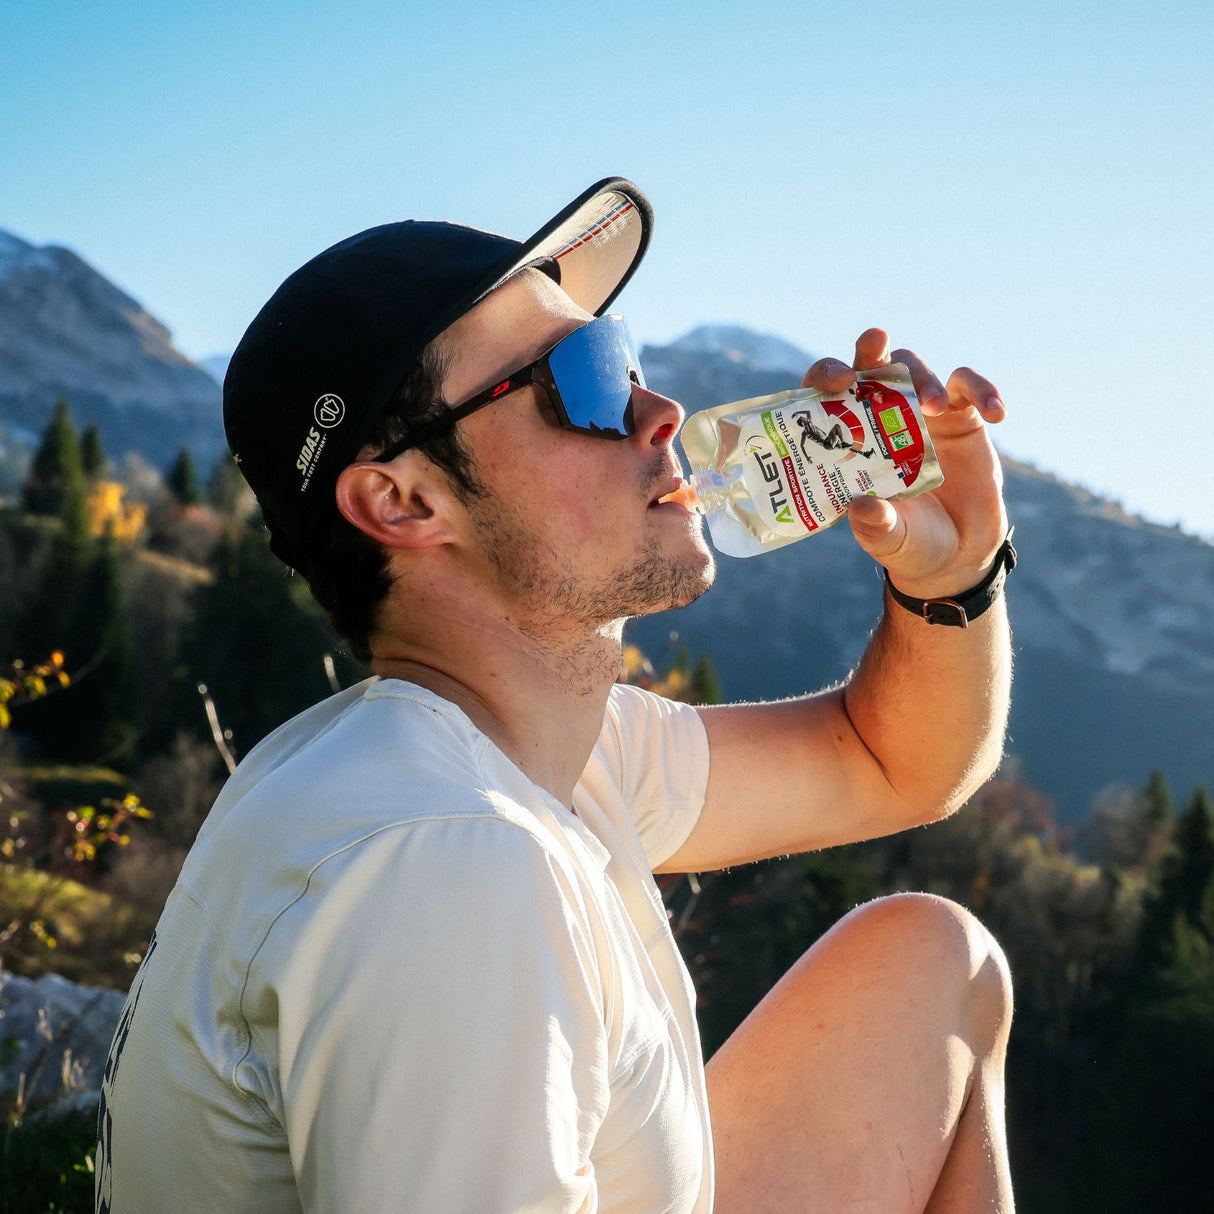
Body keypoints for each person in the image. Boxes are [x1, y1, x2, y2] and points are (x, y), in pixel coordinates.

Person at [95, 178, 1017, 1213]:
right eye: (582, 379)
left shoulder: (516, 754)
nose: (659, 411)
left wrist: (954, 575)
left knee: (932, 965)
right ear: (403, 501)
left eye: (622, 357)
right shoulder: (446, 858)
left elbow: (893, 761)